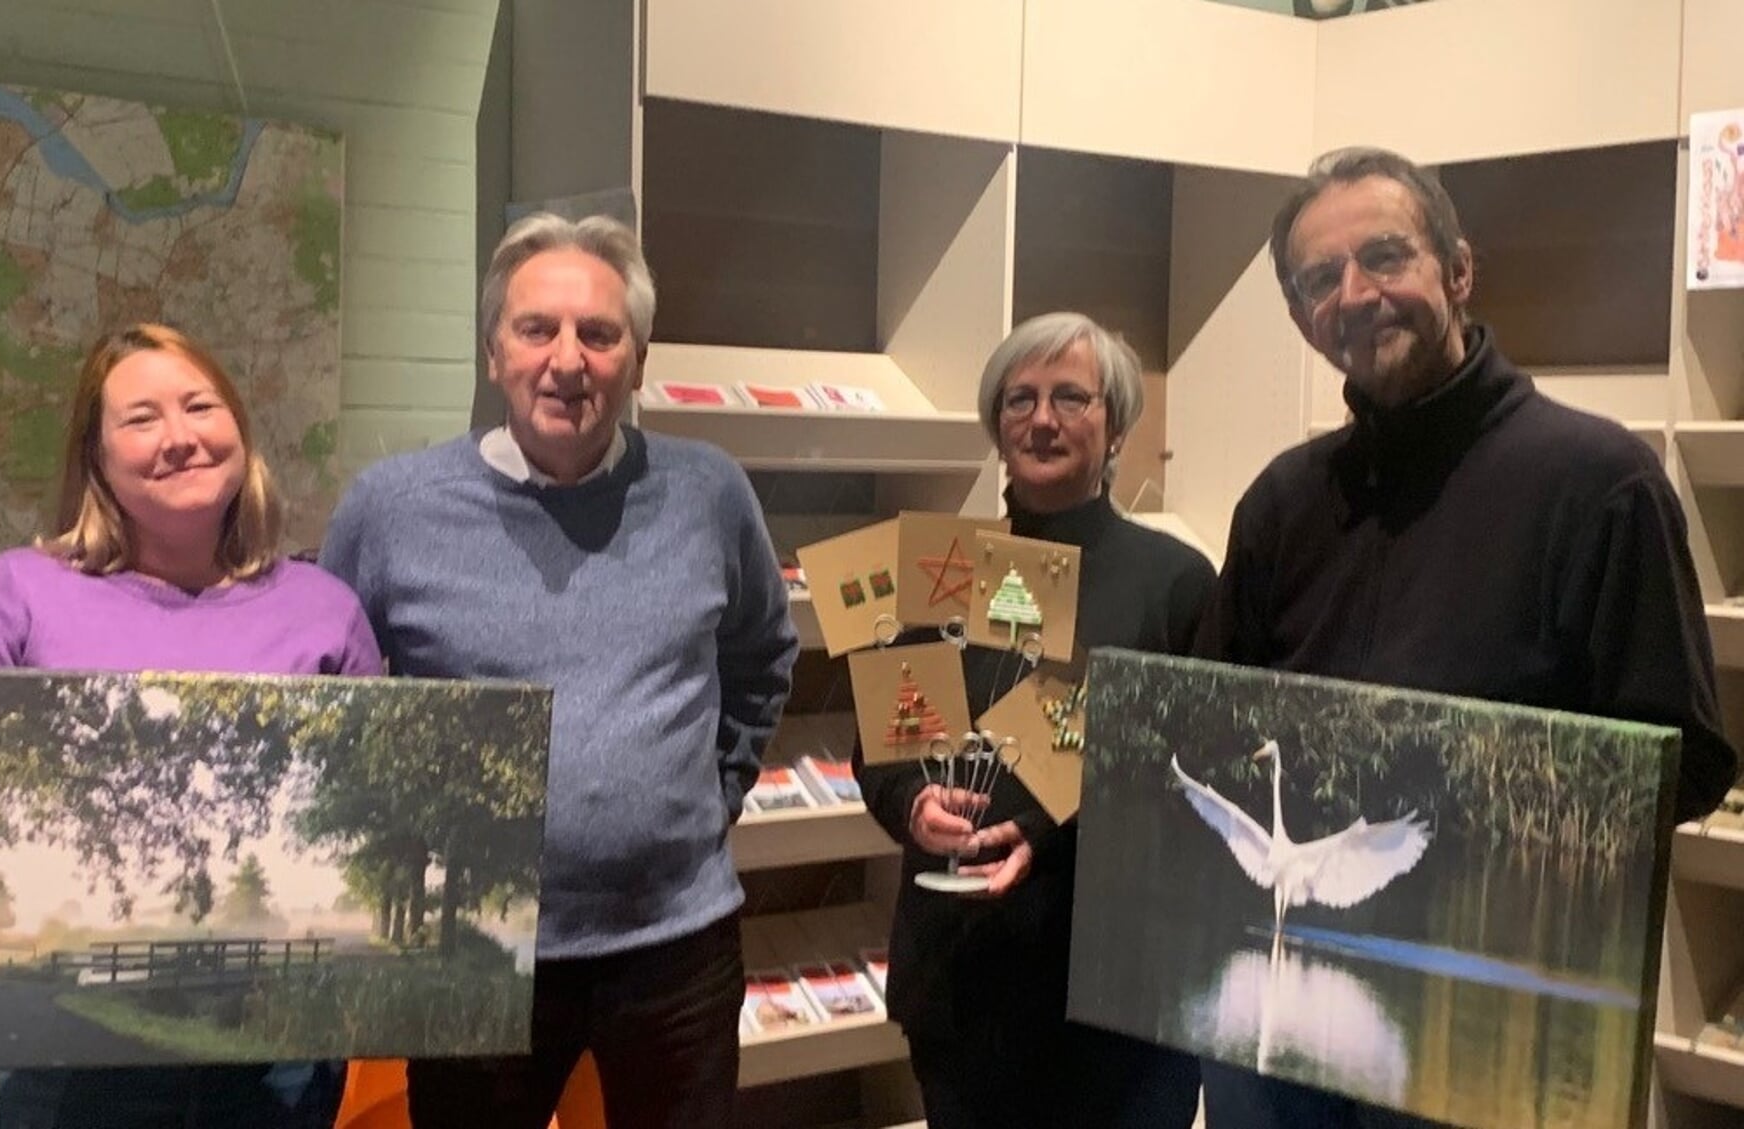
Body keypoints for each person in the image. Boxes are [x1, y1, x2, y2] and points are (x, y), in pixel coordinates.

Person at [1195, 146, 1739, 1129]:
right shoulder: (1282, 500)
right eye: (1322, 279)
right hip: (1282, 1040)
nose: (1355, 295)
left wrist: (1469, 800)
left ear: (1457, 270)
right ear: (1299, 318)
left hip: (1484, 1039)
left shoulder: (1597, 484)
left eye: (1385, 257)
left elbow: (1682, 761)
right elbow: (1217, 726)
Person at [317, 212, 797, 1129]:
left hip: (676, 944)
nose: (567, 360)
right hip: (472, 943)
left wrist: (711, 793)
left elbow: (762, 652)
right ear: (493, 351)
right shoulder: (391, 510)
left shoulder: (709, 493)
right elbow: (337, 701)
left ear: (638, 360)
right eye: (536, 329)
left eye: (600, 334)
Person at [0, 323, 385, 1129]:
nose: (180, 437)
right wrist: (79, 769)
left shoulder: (324, 609)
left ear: (239, 430)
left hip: (280, 1062)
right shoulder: (18, 590)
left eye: (200, 405)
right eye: (142, 418)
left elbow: (372, 822)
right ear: (96, 458)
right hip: (77, 1057)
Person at [854, 312, 1214, 1129]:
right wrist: (912, 800)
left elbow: (1197, 776)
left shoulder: (1175, 581)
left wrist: (1055, 830)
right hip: (963, 973)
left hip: (1117, 995)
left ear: (1115, 424)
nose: (1042, 419)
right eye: (1020, 398)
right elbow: (883, 749)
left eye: (1070, 397)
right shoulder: (945, 569)